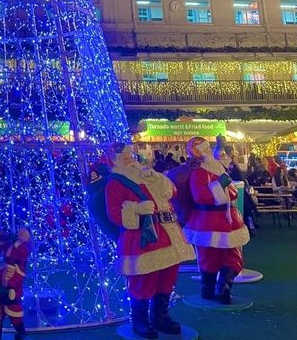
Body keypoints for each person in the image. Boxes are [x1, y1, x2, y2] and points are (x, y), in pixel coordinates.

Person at [105, 142, 195, 338]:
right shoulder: (116, 182)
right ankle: (140, 320)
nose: (129, 158)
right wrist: (135, 209)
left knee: (167, 277)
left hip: (168, 233)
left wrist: (156, 177)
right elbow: (113, 213)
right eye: (123, 155)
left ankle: (160, 316)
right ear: (114, 159)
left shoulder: (146, 174)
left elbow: (171, 192)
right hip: (144, 237)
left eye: (130, 153)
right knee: (144, 279)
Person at [183, 137, 250, 305]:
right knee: (209, 256)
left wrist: (223, 185)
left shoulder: (217, 167)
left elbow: (232, 190)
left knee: (233, 256)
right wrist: (220, 185)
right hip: (208, 221)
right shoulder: (198, 172)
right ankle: (209, 288)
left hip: (228, 219)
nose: (208, 152)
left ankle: (223, 288)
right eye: (205, 149)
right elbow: (201, 195)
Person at [0, 228, 31, 340]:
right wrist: (0, 239)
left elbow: (24, 252)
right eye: (19, 232)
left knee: (14, 310)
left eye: (23, 233)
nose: (20, 234)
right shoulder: (11, 245)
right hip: (6, 273)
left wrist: (10, 287)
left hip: (14, 285)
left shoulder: (24, 247)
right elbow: (0, 247)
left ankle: (21, 333)